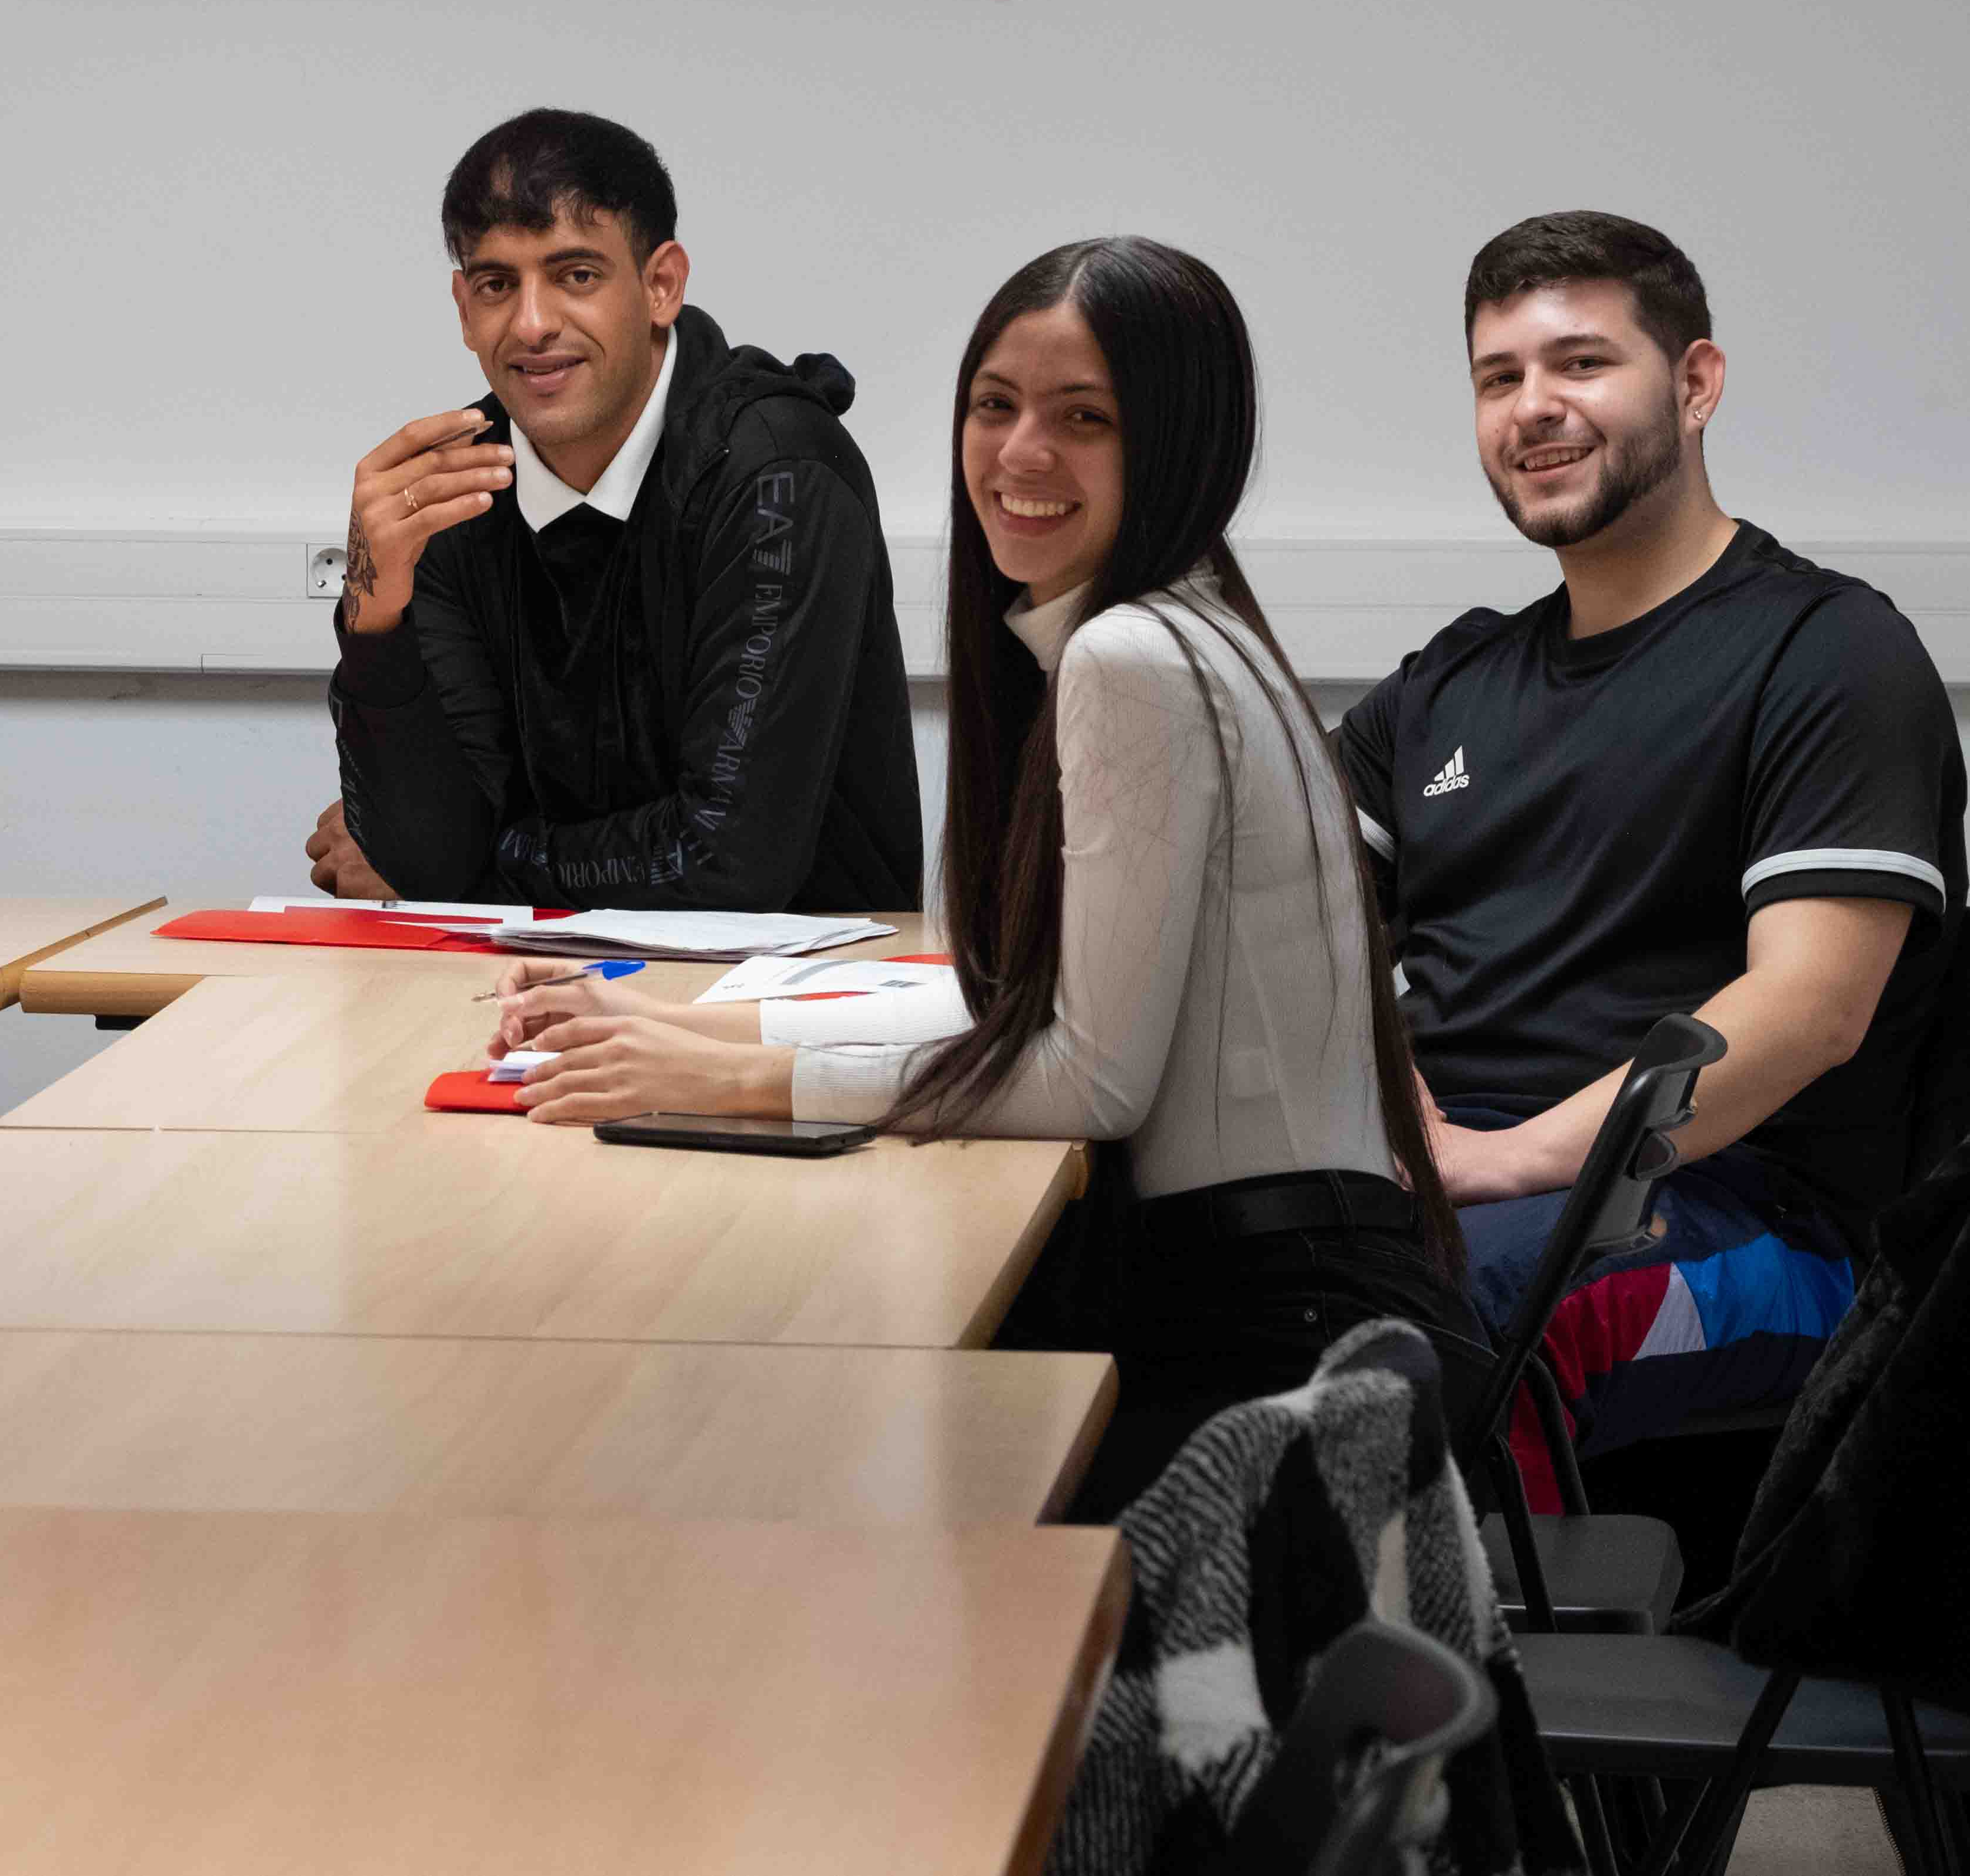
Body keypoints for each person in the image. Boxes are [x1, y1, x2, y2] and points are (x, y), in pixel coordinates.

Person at [493, 238, 1483, 1520]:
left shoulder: (1134, 657)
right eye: (994, 404)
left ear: (1181, 441)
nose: (1019, 454)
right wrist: (683, 1020)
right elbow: (1012, 1006)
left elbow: (1092, 1077)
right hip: (1303, 1304)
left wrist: (734, 1076)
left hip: (1276, 1346)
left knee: (777, 1475)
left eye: (1086, 418)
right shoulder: (1173, 624)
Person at [1339, 212, 1952, 1478]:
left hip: (1745, 1215)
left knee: (1438, 1326)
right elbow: (1292, 931)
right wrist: (1409, 1124)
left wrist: (1500, 1160)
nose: (1532, 407)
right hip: (1459, 1165)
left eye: (1580, 363)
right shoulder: (1444, 683)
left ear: (1695, 382)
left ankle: (1464, 1678)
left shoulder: (1829, 652)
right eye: (1498, 376)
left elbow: (1809, 1008)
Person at [313, 108, 922, 913]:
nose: (531, 324)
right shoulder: (450, 491)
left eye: (575, 275)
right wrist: (374, 621)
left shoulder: (776, 469)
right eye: (497, 284)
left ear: (660, 285)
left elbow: (728, 862)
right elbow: (428, 853)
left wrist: (482, 866)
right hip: (527, 987)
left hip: (781, 1005)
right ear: (465, 309)